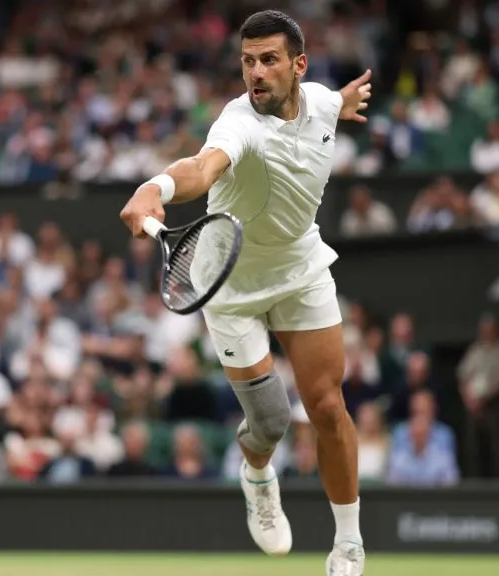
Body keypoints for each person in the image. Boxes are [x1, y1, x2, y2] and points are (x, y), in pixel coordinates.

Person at [119, 10, 371, 573]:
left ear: (298, 66)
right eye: (248, 61)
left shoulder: (323, 102)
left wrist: (347, 102)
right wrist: (154, 186)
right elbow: (201, 169)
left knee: (328, 407)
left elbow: (333, 104)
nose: (256, 72)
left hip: (301, 269)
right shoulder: (239, 123)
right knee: (272, 423)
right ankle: (257, 473)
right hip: (229, 283)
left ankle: (348, 544)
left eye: (269, 60)